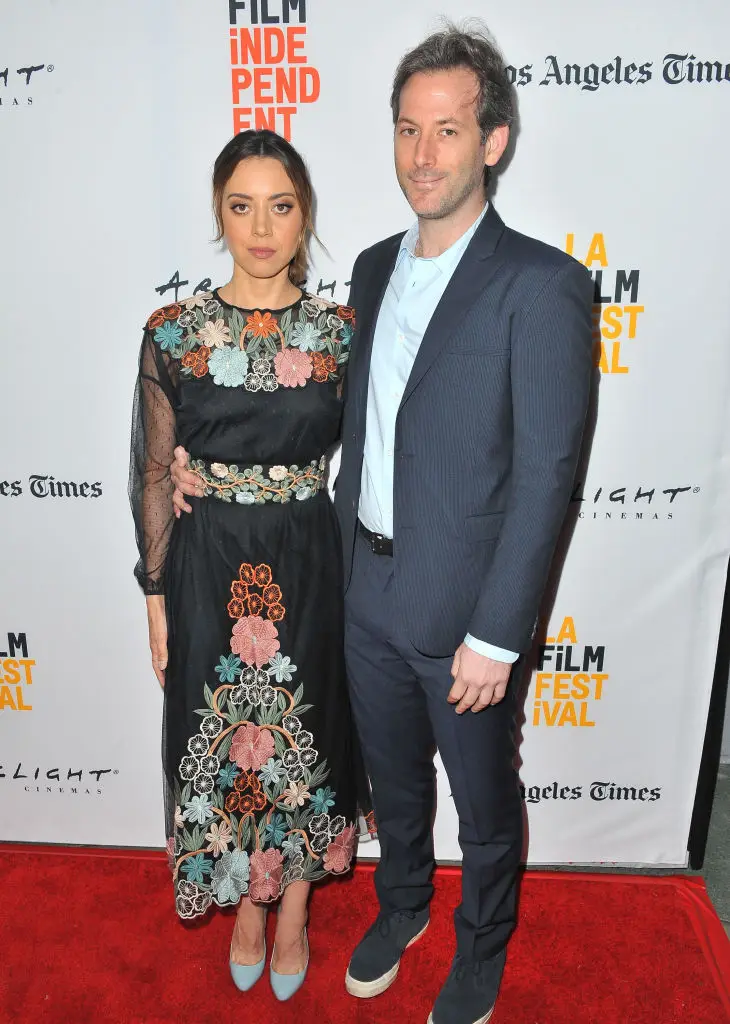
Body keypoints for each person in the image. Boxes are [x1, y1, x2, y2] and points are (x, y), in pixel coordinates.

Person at [171, 22, 593, 1024]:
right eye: (408, 129)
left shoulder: (540, 285)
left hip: (465, 616)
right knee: (393, 787)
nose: (422, 155)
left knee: (485, 808)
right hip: (358, 594)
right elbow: (313, 407)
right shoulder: (365, 270)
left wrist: (498, 632)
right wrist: (196, 457)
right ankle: (403, 903)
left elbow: (548, 477)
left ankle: (481, 943)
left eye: (447, 131)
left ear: (492, 140)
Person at [129, 129, 364, 1002]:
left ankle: (294, 910)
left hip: (310, 560)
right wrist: (155, 598)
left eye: (281, 205)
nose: (261, 227)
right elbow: (153, 471)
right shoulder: (175, 333)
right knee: (225, 741)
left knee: (305, 743)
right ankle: (248, 908)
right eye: (241, 206)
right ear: (219, 215)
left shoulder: (341, 335)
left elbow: (376, 459)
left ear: (305, 218)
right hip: (205, 565)